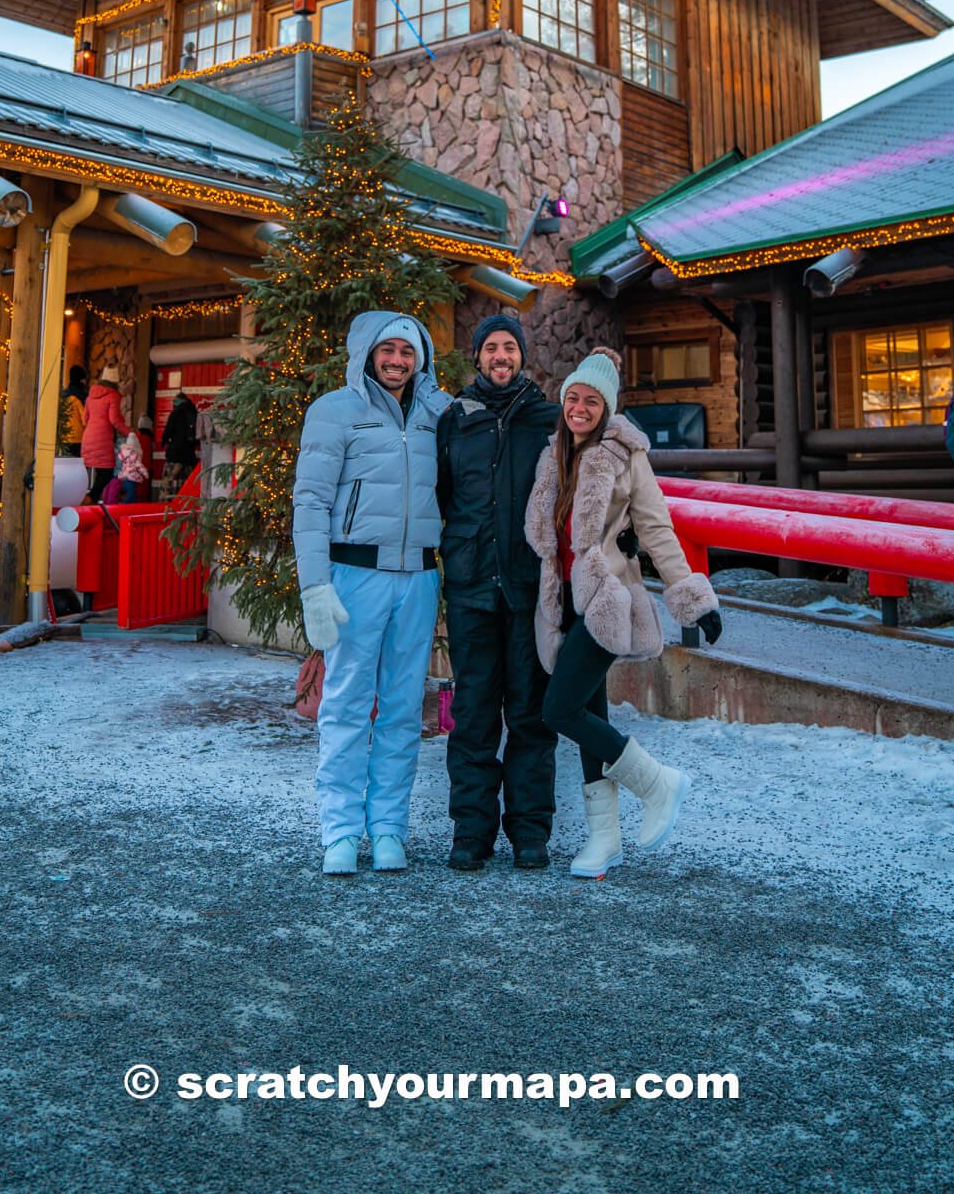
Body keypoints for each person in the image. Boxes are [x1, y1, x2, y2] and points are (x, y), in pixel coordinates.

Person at [525, 347, 722, 879]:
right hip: (560, 599)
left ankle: (657, 782)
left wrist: (691, 595)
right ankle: (603, 838)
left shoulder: (626, 455)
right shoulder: (554, 454)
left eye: (591, 400)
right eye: (573, 398)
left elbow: (656, 527)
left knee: (558, 711)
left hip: (605, 600)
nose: (580, 408)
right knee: (592, 715)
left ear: (607, 407)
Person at [292, 311, 448, 877]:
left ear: (420, 358)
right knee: (346, 704)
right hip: (355, 575)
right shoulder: (335, 411)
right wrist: (315, 586)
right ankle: (339, 831)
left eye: (408, 353)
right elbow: (309, 502)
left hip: (420, 578)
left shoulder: (438, 412)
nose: (398, 361)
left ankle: (388, 829)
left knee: (403, 708)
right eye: (388, 351)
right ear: (367, 353)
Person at [437, 311, 560, 872]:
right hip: (469, 587)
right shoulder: (454, 418)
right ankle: (472, 832)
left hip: (529, 586)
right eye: (491, 348)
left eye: (509, 347)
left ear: (522, 356)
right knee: (474, 712)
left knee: (530, 715)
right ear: (478, 357)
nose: (501, 356)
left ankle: (530, 832)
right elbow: (441, 496)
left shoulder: (548, 419)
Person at [80, 366, 128, 503]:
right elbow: (114, 420)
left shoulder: (90, 396)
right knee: (106, 472)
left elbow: (85, 418)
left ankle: (87, 497)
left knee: (89, 470)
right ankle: (92, 497)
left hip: (88, 436)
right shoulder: (113, 395)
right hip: (103, 438)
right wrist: (129, 432)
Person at [162, 390, 199, 496]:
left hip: (175, 455)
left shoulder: (176, 413)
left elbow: (168, 431)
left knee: (169, 482)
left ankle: (168, 504)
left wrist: (165, 441)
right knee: (186, 485)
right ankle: (184, 506)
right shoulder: (194, 413)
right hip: (189, 456)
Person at [61, 365, 89, 454]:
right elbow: (85, 419)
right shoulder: (82, 397)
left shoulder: (63, 395)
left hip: (64, 436)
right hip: (79, 437)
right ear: (81, 379)